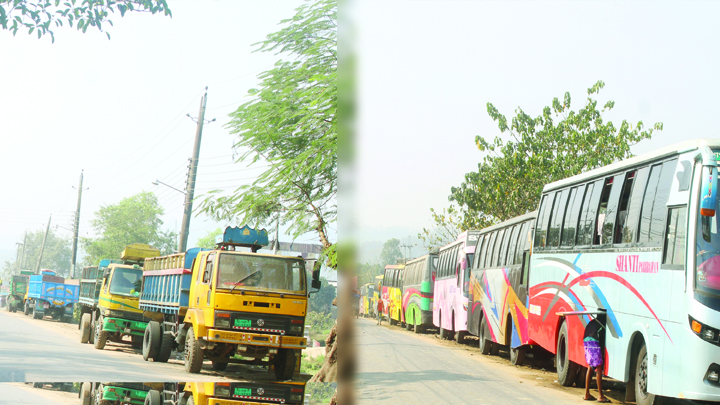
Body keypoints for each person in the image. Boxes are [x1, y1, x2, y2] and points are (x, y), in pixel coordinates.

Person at [583, 316, 609, 403]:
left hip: (586, 339)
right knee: (598, 366)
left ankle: (587, 394)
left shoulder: (596, 321)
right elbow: (602, 341)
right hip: (593, 340)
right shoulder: (605, 324)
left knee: (591, 365)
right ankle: (600, 396)